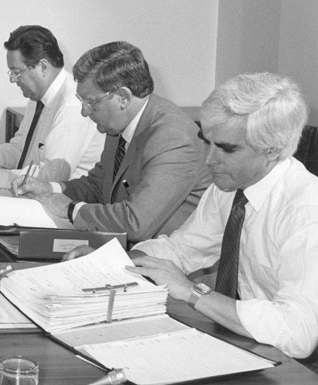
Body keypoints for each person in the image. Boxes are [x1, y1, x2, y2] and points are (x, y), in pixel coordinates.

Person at [126, 73, 318, 360]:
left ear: (272, 151)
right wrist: (119, 262)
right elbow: (184, 248)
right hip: (248, 343)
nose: (210, 160)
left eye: (227, 149)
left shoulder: (309, 210)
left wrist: (192, 292)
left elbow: (298, 332)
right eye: (209, 142)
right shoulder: (231, 186)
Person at [13, 41, 211, 243]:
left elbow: (136, 223)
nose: (84, 112)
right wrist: (50, 189)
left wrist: (70, 209)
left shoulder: (173, 139)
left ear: (123, 97)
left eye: (90, 102)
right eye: (82, 101)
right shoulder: (118, 124)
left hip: (165, 263)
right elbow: (99, 186)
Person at [0, 25, 103, 188]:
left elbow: (51, 176)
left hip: (60, 201)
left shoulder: (71, 105)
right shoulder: (38, 98)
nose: (13, 80)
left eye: (16, 72)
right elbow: (21, 153)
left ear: (43, 67)